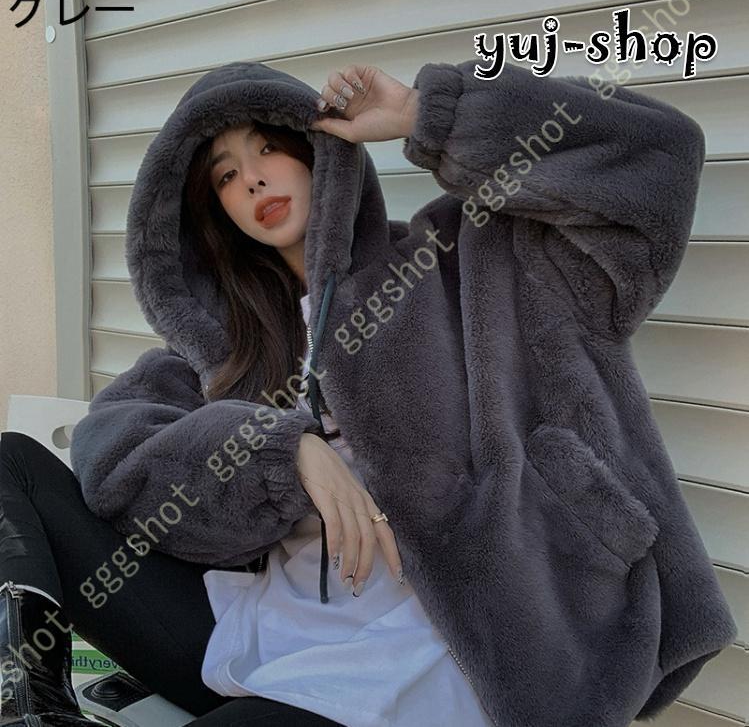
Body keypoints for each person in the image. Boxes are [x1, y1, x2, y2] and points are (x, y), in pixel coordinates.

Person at [2, 56, 739, 727]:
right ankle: (24, 695)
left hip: (450, 641)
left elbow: (657, 160)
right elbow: (114, 460)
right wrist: (283, 453)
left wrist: (426, 114)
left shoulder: (468, 258)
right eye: (224, 175)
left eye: (267, 148)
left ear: (316, 148)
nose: (251, 180)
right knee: (14, 465)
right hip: (267, 630)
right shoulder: (223, 345)